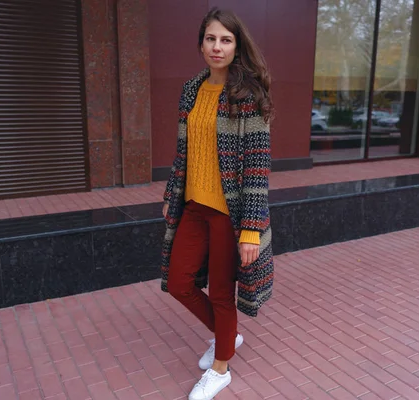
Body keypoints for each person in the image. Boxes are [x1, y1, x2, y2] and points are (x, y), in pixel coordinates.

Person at [159, 7, 275, 400]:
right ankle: (228, 336)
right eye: (211, 38)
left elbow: (258, 169)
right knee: (179, 282)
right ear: (201, 43)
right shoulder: (191, 89)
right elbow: (183, 153)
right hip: (193, 206)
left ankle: (221, 368)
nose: (217, 46)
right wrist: (171, 196)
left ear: (237, 45)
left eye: (225, 39)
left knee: (222, 294)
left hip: (231, 213)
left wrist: (251, 231)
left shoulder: (248, 95)